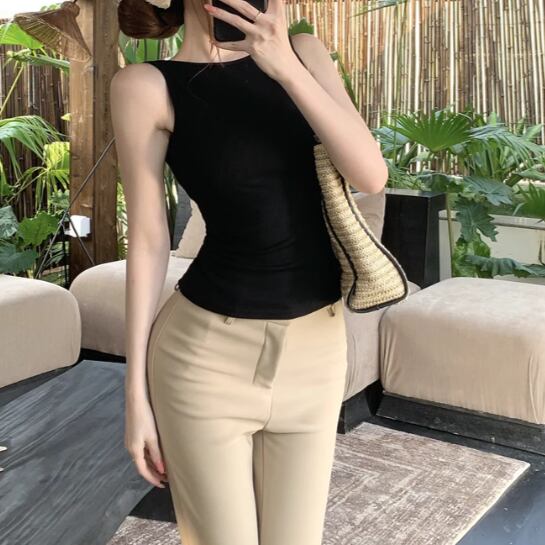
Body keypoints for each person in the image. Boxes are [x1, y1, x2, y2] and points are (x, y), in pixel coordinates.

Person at [110, 0, 388, 543]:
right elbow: (147, 237)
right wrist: (135, 397)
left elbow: (371, 175)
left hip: (316, 354)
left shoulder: (304, 54)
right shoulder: (145, 86)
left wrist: (284, 66)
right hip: (203, 360)